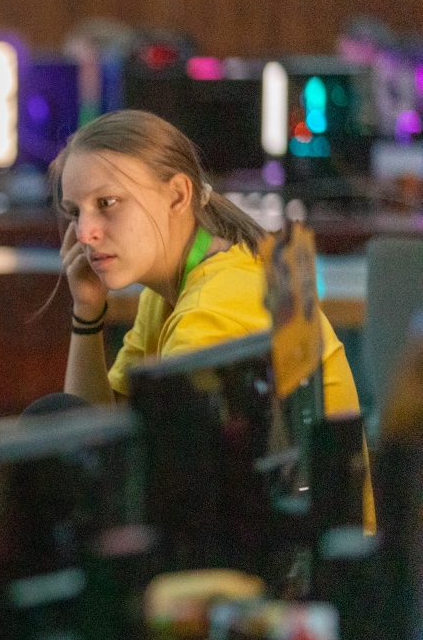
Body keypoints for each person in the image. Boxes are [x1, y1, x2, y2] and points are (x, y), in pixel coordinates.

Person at [52, 109, 373, 529]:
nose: (84, 233)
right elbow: (91, 431)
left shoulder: (213, 310)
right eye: (75, 212)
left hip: (300, 558)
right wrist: (87, 311)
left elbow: (140, 498)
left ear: (177, 195)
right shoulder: (174, 287)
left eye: (106, 203)